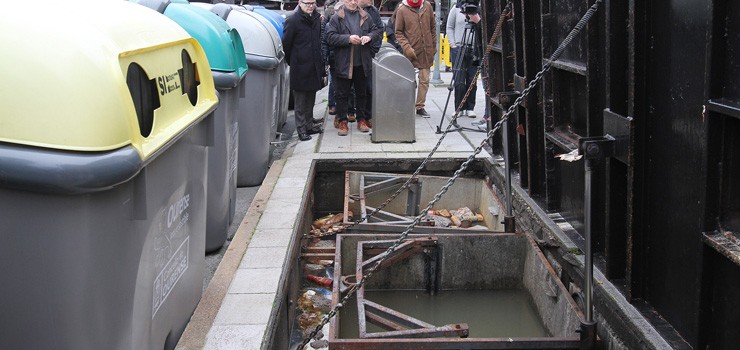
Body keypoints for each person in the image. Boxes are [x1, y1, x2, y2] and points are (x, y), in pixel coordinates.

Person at [325, 0, 381, 136]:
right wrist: (348, 39)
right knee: (342, 94)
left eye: (355, 0)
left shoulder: (365, 16)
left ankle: (361, 119)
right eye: (349, 0)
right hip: (344, 62)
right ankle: (342, 120)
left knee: (362, 93)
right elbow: (330, 37)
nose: (352, 2)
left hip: (362, 62)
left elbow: (376, 31)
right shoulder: (336, 17)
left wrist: (369, 37)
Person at [283, 0, 325, 141]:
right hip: (299, 65)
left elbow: (318, 40)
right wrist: (293, 61)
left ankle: (309, 125)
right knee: (300, 101)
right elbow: (286, 44)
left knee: (311, 97)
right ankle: (301, 130)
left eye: (312, 2)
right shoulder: (293, 20)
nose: (310, 5)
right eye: (307, 3)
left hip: (313, 65)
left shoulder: (316, 18)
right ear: (300, 3)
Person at [394, 0, 436, 117]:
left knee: (425, 80)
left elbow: (433, 27)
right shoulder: (402, 9)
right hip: (411, 51)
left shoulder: (427, 6)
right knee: (408, 80)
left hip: (426, 50)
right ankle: (406, 105)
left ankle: (420, 106)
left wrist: (433, 46)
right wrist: (407, 48)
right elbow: (398, 32)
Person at [446, 3, 481, 118]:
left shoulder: (478, 8)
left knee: (472, 79)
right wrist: (453, 44)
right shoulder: (456, 8)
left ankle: (470, 107)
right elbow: (449, 27)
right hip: (459, 48)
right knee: (459, 80)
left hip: (474, 48)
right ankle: (459, 107)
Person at [358, 0, 383, 126]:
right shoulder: (345, 11)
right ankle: (348, 115)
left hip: (368, 54)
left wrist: (373, 49)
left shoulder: (373, 12)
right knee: (350, 90)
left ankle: (367, 116)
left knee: (369, 88)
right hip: (351, 55)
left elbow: (379, 30)